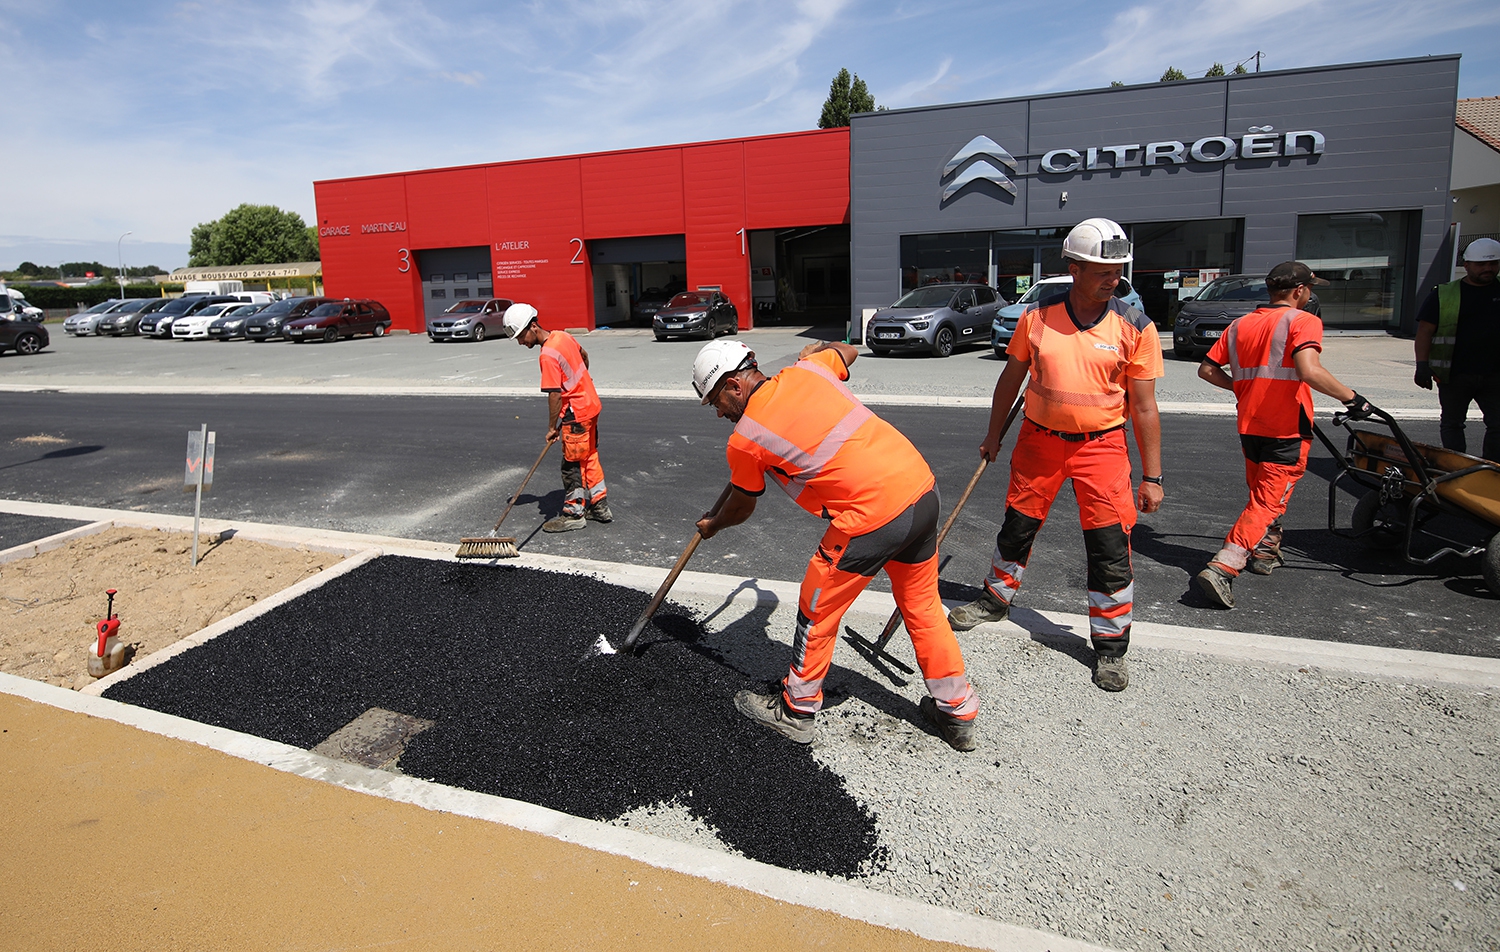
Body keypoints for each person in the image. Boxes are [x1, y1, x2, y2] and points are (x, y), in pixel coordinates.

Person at [691, 338, 980, 751]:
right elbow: (847, 351)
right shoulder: (810, 369)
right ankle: (957, 713)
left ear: (735, 386)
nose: (718, 412)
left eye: (716, 400)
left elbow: (740, 507)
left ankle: (796, 711)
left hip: (872, 517)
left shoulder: (745, 438)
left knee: (816, 606)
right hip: (920, 491)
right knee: (923, 606)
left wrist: (713, 524)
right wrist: (820, 348)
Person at [945, 218, 1162, 693]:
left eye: (1118, 269)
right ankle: (995, 600)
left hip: (1102, 448)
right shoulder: (1037, 317)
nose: (1114, 278)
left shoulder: (1135, 326)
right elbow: (1011, 379)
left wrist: (1153, 476)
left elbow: (1144, 406)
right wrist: (993, 435)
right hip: (1038, 441)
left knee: (1109, 548)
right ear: (1074, 268)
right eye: (1102, 269)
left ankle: (1109, 648)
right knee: (1017, 526)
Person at [1193, 262, 1377, 609]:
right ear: (1298, 291)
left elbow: (1206, 369)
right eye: (1309, 289)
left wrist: (1244, 389)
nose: (1310, 295)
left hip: (1251, 424)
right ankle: (1224, 566)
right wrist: (1352, 398)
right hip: (1286, 427)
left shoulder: (1239, 325)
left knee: (1262, 494)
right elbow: (1309, 370)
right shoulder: (1303, 321)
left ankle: (1264, 551)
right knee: (1267, 502)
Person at [501, 303, 610, 531]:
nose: (521, 342)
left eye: (521, 336)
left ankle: (573, 514)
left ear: (533, 326)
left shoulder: (547, 355)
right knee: (589, 457)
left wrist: (552, 427)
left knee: (570, 465)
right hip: (591, 405)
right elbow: (584, 357)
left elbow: (554, 394)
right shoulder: (563, 336)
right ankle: (600, 507)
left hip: (577, 415)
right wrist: (579, 387)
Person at [1414, 237, 1500, 461]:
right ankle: (1458, 467)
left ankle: (1491, 469)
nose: (1488, 269)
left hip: (1495, 375)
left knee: (1498, 424)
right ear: (1467, 265)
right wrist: (1422, 365)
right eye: (1481, 264)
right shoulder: (1444, 294)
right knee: (1452, 423)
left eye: (1493, 264)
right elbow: (1425, 331)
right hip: (1455, 374)